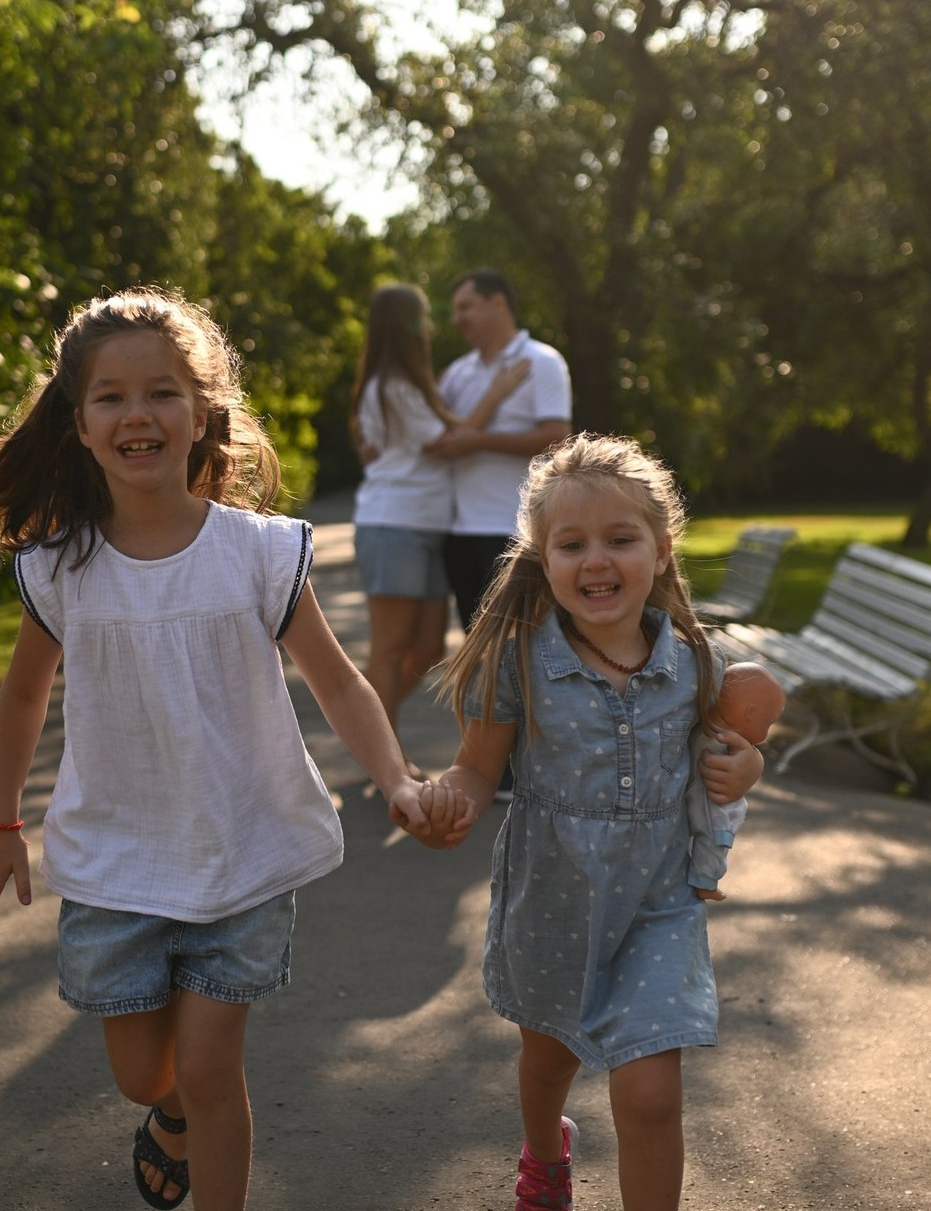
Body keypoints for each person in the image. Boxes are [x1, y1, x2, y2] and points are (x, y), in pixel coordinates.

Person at [0, 287, 435, 1211]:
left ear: (203, 412)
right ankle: (167, 1117)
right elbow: (20, 697)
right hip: (115, 860)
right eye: (112, 398)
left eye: (163, 392)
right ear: (79, 424)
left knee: (212, 1074)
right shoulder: (60, 568)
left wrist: (399, 780)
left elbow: (339, 682)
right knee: (145, 1075)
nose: (139, 414)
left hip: (240, 851)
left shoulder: (258, 554)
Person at [413, 433, 765, 1211]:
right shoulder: (519, 660)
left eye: (620, 539)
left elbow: (727, 753)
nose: (596, 560)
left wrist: (747, 766)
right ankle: (545, 1154)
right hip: (554, 899)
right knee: (547, 1061)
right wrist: (452, 801)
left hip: (658, 904)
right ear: (542, 558)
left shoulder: (694, 661)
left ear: (662, 551)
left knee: (649, 1095)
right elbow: (477, 767)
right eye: (571, 544)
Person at [351, 282, 530, 750]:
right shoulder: (391, 385)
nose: (430, 326)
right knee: (390, 649)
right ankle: (382, 753)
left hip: (429, 526)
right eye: (423, 317)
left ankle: (365, 723)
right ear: (405, 324)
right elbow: (450, 442)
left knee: (430, 648)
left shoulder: (409, 385)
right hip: (395, 524)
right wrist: (498, 391)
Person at [425, 269, 573, 631]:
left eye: (466, 307)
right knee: (477, 650)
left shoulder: (543, 361)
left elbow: (557, 437)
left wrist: (478, 441)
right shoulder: (457, 373)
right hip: (459, 534)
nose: (457, 319)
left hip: (518, 532)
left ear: (498, 302)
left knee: (527, 647)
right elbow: (438, 444)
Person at [687, 660, 786, 901]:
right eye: (768, 723)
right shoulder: (722, 745)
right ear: (750, 713)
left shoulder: (698, 724)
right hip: (706, 805)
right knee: (717, 833)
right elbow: (716, 811)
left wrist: (754, 762)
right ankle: (706, 879)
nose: (766, 732)